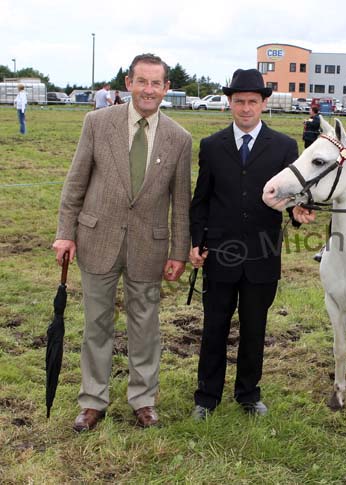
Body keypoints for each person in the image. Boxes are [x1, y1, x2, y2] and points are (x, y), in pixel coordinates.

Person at [53, 53, 192, 432]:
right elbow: (75, 183)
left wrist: (180, 251)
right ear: (128, 83)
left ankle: (143, 400)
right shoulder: (97, 123)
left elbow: (181, 203)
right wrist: (65, 232)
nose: (148, 90)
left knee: (145, 326)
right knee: (96, 324)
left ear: (166, 88)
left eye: (156, 83)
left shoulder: (180, 139)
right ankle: (92, 400)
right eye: (141, 81)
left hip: (149, 247)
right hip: (97, 239)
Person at [189, 68, 310, 420]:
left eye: (252, 102)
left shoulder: (285, 146)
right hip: (221, 253)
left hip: (261, 253)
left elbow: (292, 197)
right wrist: (197, 240)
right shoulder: (212, 146)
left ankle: (248, 393)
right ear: (229, 103)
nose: (245, 108)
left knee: (255, 328)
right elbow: (202, 199)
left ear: (264, 104)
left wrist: (297, 213)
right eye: (239, 102)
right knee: (214, 327)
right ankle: (206, 397)